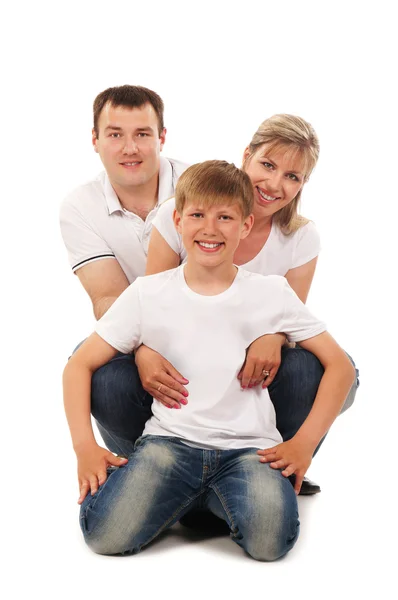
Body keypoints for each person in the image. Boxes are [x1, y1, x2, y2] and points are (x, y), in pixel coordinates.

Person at [63, 160, 356, 559]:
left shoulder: (271, 293)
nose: (210, 229)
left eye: (225, 218)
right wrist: (84, 447)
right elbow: (79, 364)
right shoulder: (147, 294)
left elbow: (340, 367)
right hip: (169, 445)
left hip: (249, 450)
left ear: (246, 225)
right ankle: (191, 499)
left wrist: (303, 444)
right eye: (198, 216)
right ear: (178, 222)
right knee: (104, 536)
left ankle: (196, 503)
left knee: (270, 543)